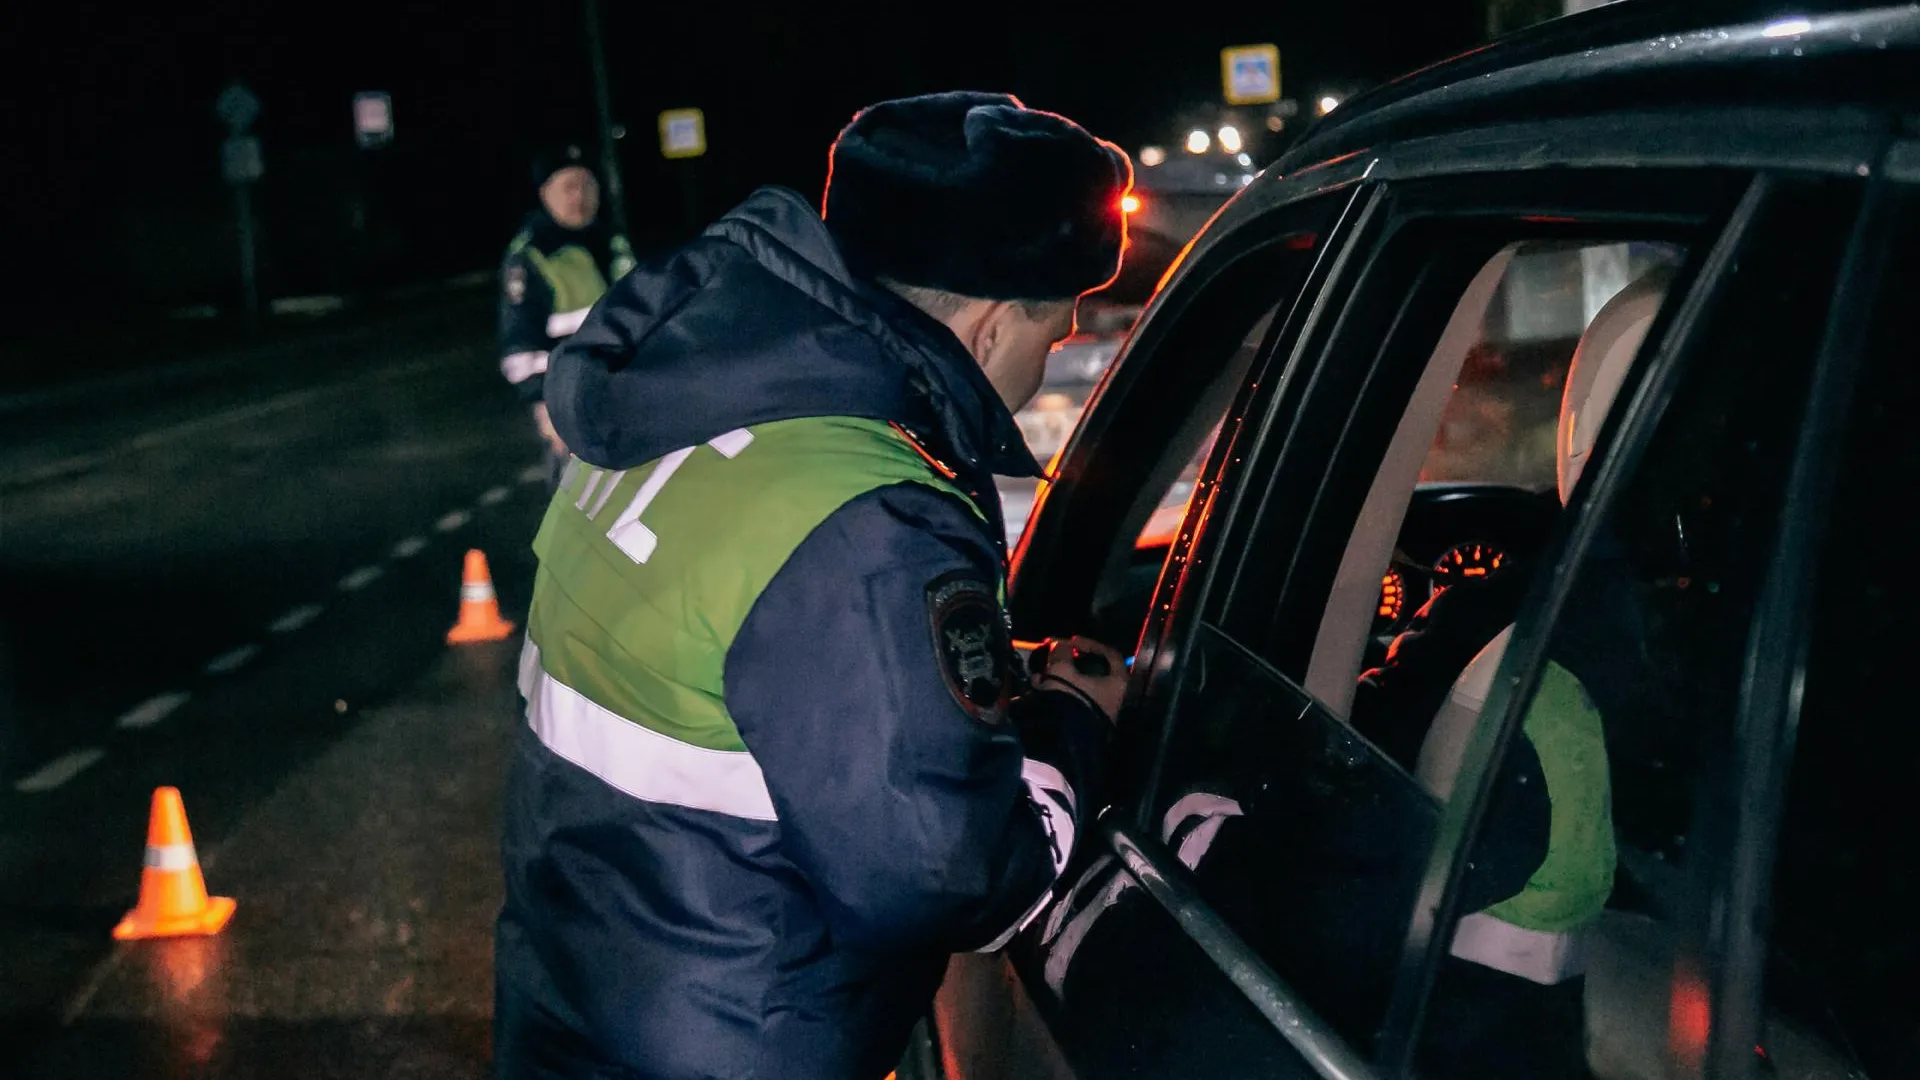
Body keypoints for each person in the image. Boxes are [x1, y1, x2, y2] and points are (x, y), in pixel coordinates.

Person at [493, 92, 1136, 1080]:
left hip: (575, 998)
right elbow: (942, 879)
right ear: (997, 322)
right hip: (741, 1037)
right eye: (1057, 330)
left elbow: (749, 669)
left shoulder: (679, 407)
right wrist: (1073, 723)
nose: (1051, 362)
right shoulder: (873, 522)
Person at [497, 143, 636, 486]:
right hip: (575, 410)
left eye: (587, 185)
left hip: (629, 397)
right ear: (545, 194)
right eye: (568, 187)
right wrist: (549, 409)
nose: (580, 196)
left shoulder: (611, 242)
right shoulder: (532, 258)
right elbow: (521, 351)